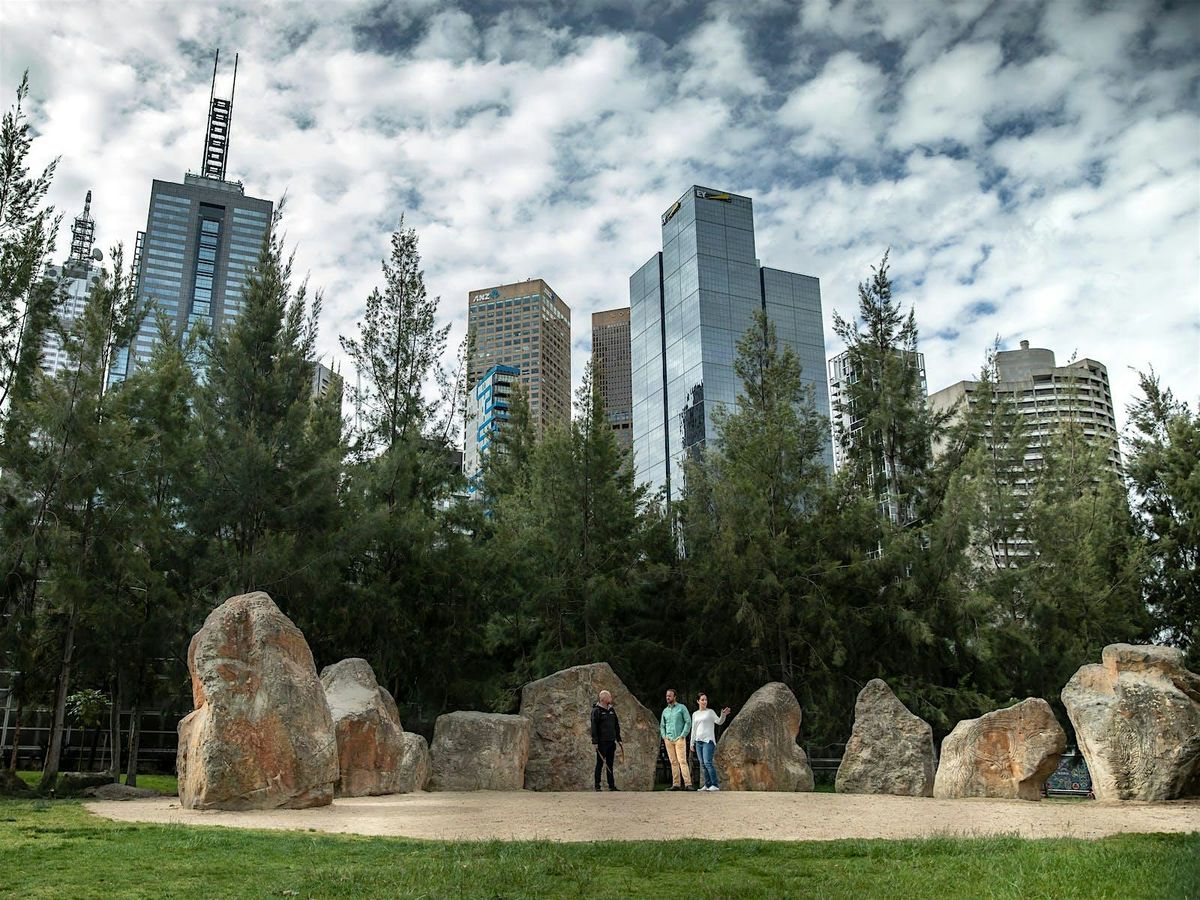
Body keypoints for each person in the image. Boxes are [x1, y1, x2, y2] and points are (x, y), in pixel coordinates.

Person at [690, 694, 731, 791]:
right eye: (702, 700)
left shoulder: (710, 712)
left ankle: (715, 785)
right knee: (702, 764)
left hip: (708, 741)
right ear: (698, 701)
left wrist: (723, 715)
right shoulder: (695, 714)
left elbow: (719, 721)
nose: (704, 701)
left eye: (706, 700)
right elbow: (694, 729)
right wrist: (692, 743)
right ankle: (707, 785)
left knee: (708, 762)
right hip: (698, 741)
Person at [660, 688, 693, 791]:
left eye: (670, 695)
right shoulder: (665, 711)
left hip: (679, 738)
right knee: (673, 762)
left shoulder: (682, 708)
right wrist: (664, 736)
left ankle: (688, 784)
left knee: (682, 761)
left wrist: (683, 735)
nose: (668, 697)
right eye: (667, 696)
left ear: (675, 697)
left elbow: (688, 721)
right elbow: (662, 725)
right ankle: (676, 784)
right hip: (668, 739)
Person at [590, 689, 622, 791]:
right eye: (609, 697)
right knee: (599, 764)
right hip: (602, 742)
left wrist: (619, 739)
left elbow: (616, 725)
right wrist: (595, 741)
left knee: (610, 764)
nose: (611, 698)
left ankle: (611, 785)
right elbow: (594, 727)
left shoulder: (612, 710)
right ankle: (597, 785)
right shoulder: (596, 711)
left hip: (611, 741)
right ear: (604, 698)